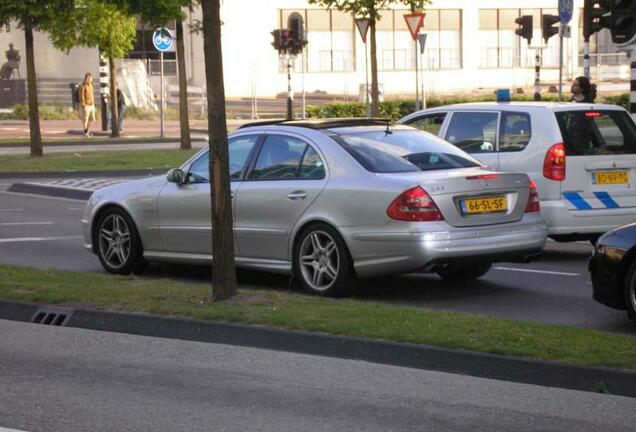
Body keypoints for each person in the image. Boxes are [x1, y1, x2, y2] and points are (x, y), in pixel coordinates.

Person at [79, 73, 95, 137]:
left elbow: (92, 95)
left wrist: (93, 103)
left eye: (91, 78)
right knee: (85, 119)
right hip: (86, 105)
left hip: (91, 105)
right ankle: (85, 131)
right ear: (87, 78)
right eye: (90, 78)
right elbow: (81, 96)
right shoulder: (82, 86)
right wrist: (83, 104)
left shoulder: (91, 85)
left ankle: (87, 130)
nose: (91, 79)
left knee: (91, 119)